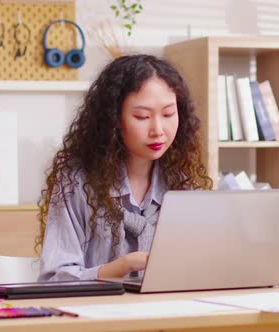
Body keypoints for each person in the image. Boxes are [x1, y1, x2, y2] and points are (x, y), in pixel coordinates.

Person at [36, 54, 212, 281]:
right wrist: (121, 267)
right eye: (142, 116)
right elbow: (53, 278)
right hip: (95, 314)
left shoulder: (183, 183)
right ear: (114, 120)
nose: (158, 129)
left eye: (168, 113)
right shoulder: (77, 182)